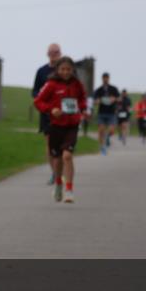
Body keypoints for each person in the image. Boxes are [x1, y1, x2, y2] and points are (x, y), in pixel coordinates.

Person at [33, 56, 87, 203]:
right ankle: (58, 183)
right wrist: (51, 110)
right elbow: (38, 101)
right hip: (56, 126)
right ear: (57, 69)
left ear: (73, 70)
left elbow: (83, 99)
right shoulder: (51, 84)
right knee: (57, 160)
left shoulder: (77, 84)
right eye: (62, 69)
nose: (65, 72)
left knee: (67, 156)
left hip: (72, 125)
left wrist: (82, 109)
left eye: (68, 69)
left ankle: (69, 190)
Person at [32, 43, 62, 184]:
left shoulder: (66, 70)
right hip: (47, 113)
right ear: (47, 54)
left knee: (61, 145)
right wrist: (40, 98)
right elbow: (35, 91)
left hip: (63, 114)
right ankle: (54, 174)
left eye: (56, 52)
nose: (54, 55)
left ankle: (60, 171)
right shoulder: (41, 71)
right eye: (51, 52)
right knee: (50, 144)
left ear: (60, 53)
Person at [92, 72, 120, 156]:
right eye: (104, 78)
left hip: (111, 113)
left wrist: (114, 99)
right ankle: (102, 147)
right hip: (102, 113)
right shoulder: (99, 90)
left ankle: (107, 138)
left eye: (107, 77)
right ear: (102, 79)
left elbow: (119, 98)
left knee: (111, 130)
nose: (105, 79)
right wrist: (98, 101)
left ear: (109, 78)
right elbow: (95, 101)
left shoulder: (113, 89)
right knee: (101, 131)